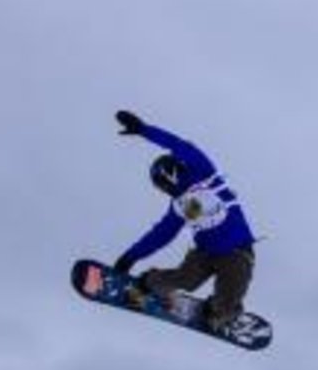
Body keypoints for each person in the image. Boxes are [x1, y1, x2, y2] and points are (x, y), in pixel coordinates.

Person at [109, 110, 258, 332]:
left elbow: (178, 144)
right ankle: (149, 284)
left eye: (161, 185)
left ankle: (221, 311)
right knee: (186, 279)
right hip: (204, 254)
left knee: (230, 292)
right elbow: (159, 236)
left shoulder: (204, 172)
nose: (164, 190)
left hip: (237, 252)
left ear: (169, 174)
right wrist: (129, 257)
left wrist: (143, 130)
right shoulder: (178, 206)